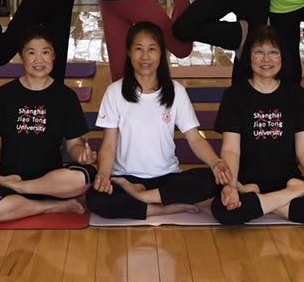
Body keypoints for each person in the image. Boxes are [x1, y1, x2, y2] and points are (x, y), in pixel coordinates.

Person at [88, 22, 231, 219]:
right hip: (125, 178)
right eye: (139, 49)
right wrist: (104, 175)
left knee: (213, 179)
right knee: (96, 198)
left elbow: (195, 138)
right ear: (129, 52)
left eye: (152, 49)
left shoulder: (176, 91)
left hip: (167, 178)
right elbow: (109, 144)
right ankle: (162, 207)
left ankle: (144, 197)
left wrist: (215, 162)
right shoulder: (114, 92)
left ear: (162, 53)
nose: (145, 57)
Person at [211, 27, 304, 227]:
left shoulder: (297, 95)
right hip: (245, 181)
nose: (266, 60)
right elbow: (231, 150)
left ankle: (261, 200)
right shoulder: (234, 95)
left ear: (283, 57)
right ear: (249, 56)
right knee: (223, 212)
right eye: (259, 52)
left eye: (273, 52)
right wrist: (231, 186)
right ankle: (296, 192)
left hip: (286, 178)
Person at [0, 27, 94, 222]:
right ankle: (51, 206)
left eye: (45, 52)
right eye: (31, 53)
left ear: (54, 55)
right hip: (9, 176)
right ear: (21, 56)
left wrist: (81, 155)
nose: (39, 60)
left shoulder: (66, 97)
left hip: (51, 182)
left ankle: (22, 188)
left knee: (86, 176)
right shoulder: (4, 95)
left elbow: (74, 144)